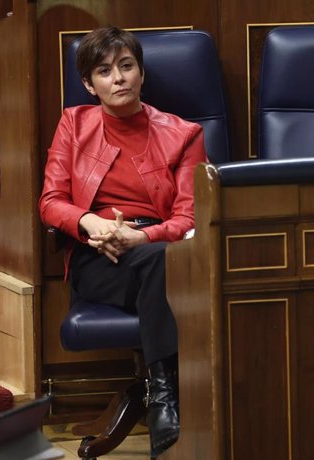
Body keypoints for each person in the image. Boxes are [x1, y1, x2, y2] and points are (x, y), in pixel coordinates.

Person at [39, 26, 207, 458]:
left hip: (161, 247)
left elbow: (190, 217)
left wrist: (142, 235)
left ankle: (161, 396)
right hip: (99, 257)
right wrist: (91, 223)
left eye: (127, 66)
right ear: (88, 84)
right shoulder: (73, 125)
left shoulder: (183, 134)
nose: (119, 78)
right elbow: (51, 202)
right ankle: (166, 401)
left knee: (160, 260)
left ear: (142, 73)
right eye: (105, 71)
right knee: (162, 265)